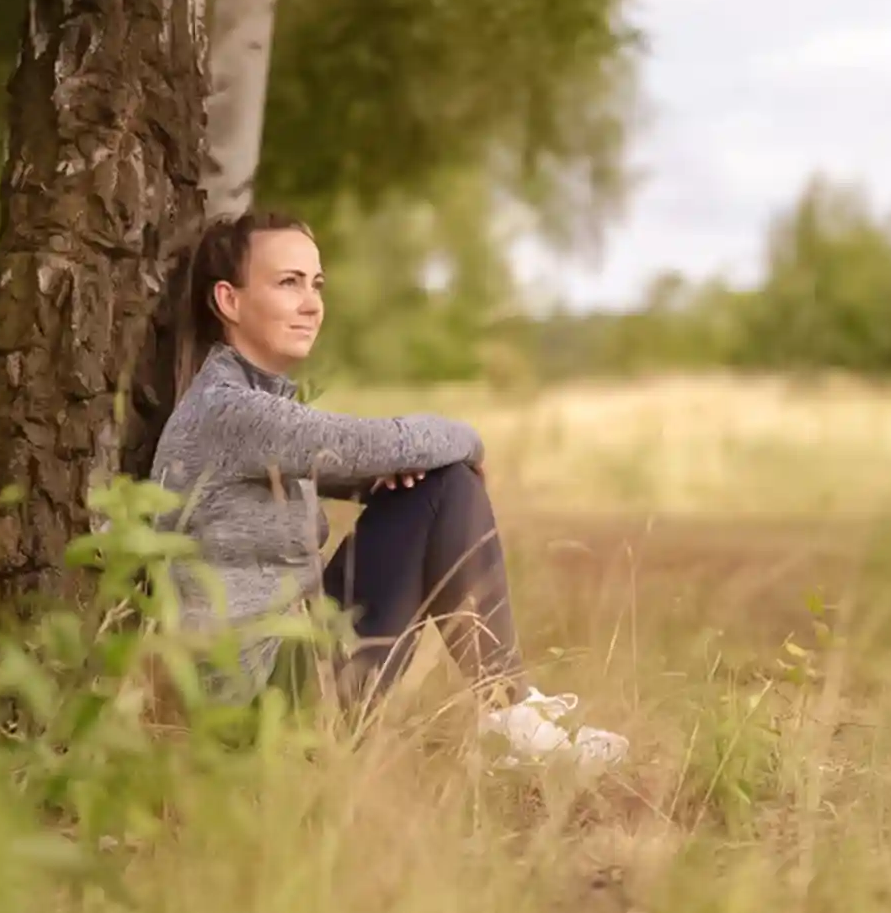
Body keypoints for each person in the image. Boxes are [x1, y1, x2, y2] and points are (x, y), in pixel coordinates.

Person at [147, 210, 625, 771]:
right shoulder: (231, 410)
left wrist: (385, 478)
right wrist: (465, 440)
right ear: (228, 301)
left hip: (282, 680)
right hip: (258, 709)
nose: (311, 303)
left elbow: (349, 460)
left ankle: (509, 713)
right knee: (446, 481)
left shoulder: (242, 406)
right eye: (288, 283)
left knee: (431, 483)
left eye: (316, 284)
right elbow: (382, 441)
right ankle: (508, 712)